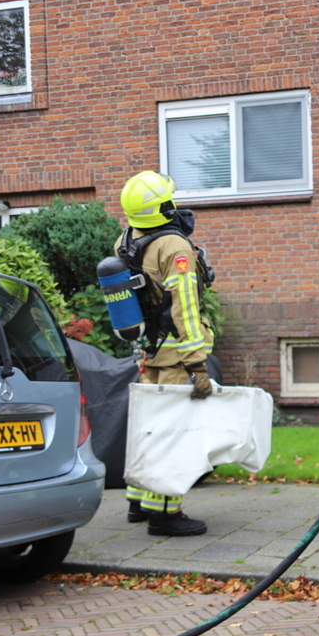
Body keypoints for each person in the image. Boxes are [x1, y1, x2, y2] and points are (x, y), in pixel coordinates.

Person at [116, 170, 214, 537]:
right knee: (174, 432)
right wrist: (197, 365)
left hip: (149, 351)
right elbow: (184, 308)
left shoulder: (126, 239)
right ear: (162, 208)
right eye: (169, 200)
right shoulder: (174, 248)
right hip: (176, 355)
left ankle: (138, 502)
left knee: (148, 429)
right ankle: (165, 514)